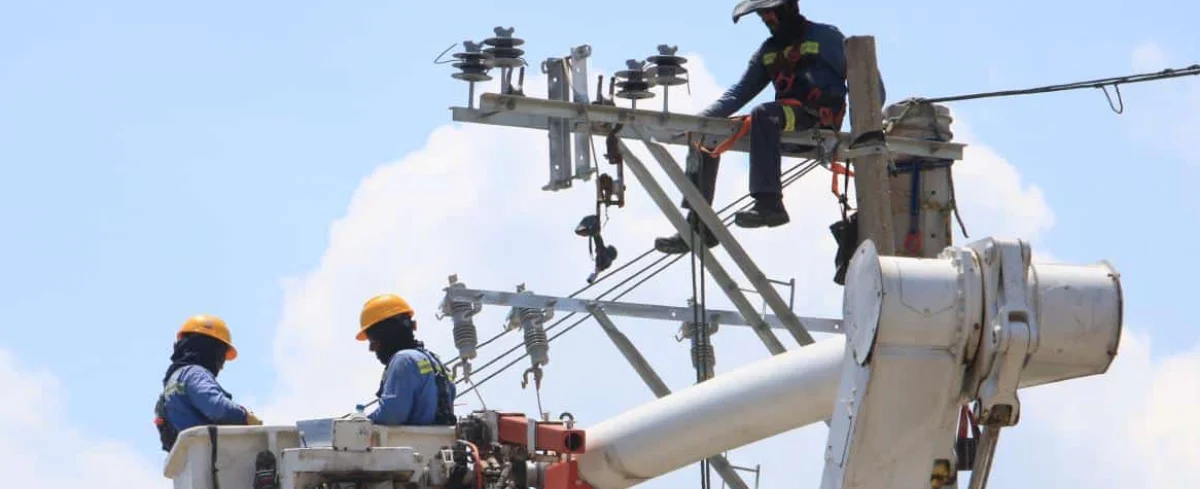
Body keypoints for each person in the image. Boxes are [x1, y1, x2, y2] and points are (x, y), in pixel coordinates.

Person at [653, 0, 886, 254]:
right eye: (762, 16)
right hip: (782, 122)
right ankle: (698, 223)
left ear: (787, 9)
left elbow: (871, 88)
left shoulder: (825, 37)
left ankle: (769, 204)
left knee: (763, 115)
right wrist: (695, 125)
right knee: (707, 135)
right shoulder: (769, 51)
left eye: (769, 15)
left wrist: (863, 133)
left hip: (818, 121)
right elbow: (737, 94)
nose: (765, 21)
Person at [154, 314, 262, 452]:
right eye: (221, 356)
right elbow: (218, 408)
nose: (221, 366)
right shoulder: (194, 374)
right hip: (214, 462)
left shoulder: (171, 384)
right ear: (209, 348)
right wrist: (245, 416)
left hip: (192, 466)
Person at [356, 294, 457, 426]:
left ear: (385, 334)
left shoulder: (403, 361)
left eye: (374, 342)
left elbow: (392, 415)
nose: (373, 349)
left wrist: (360, 423)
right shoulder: (435, 362)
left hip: (414, 444)